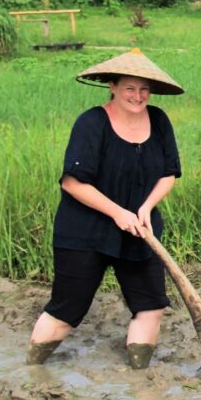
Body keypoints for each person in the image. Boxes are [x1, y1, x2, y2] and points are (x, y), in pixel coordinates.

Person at [27, 49, 184, 370]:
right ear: (111, 86)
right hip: (85, 232)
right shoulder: (92, 123)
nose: (137, 96)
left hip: (140, 230)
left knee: (151, 306)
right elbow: (72, 183)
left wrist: (145, 207)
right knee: (65, 313)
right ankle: (31, 371)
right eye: (129, 88)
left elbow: (169, 173)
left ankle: (140, 378)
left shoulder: (159, 120)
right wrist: (118, 212)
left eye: (144, 89)